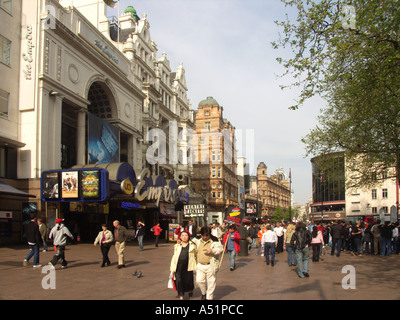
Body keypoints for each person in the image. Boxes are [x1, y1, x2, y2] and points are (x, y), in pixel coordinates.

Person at [191, 227, 224, 300]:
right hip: (200, 265)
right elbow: (189, 244)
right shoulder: (197, 240)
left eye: (207, 236)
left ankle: (209, 297)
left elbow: (220, 249)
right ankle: (204, 293)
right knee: (199, 281)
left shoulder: (215, 240)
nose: (205, 237)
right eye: (203, 236)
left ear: (209, 235)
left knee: (211, 282)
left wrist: (212, 250)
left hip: (211, 265)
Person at [170, 231, 197, 300]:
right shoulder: (177, 246)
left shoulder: (192, 246)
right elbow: (174, 256)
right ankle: (181, 295)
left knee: (188, 280)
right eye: (182, 235)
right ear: (180, 237)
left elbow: (196, 254)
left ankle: (190, 290)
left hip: (188, 266)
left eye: (186, 235)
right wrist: (172, 266)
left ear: (188, 237)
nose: (184, 237)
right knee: (179, 280)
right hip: (178, 266)